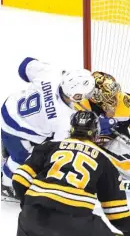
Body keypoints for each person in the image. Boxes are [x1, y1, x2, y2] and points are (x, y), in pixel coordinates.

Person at [12, 111, 130, 236]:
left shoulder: (49, 146)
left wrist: (31, 207)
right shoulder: (104, 161)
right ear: (96, 133)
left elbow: (19, 180)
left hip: (31, 217)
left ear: (71, 130)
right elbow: (117, 212)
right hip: (75, 224)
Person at [1, 57, 95, 200]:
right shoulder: (64, 121)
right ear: (76, 96)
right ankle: (6, 185)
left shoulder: (52, 73)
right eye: (87, 93)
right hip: (13, 128)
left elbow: (24, 66)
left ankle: (8, 145)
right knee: (24, 158)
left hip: (10, 105)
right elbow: (56, 150)